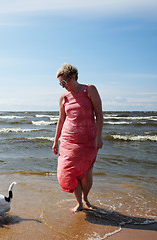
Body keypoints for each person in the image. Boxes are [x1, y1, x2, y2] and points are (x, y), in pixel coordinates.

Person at [52, 63, 103, 212]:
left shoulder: (90, 90)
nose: (62, 86)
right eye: (59, 83)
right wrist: (55, 141)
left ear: (73, 77)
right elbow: (61, 120)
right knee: (67, 172)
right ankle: (79, 203)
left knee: (86, 172)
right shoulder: (63, 97)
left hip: (88, 140)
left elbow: (99, 114)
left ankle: (85, 199)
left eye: (63, 82)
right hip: (68, 141)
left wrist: (99, 136)